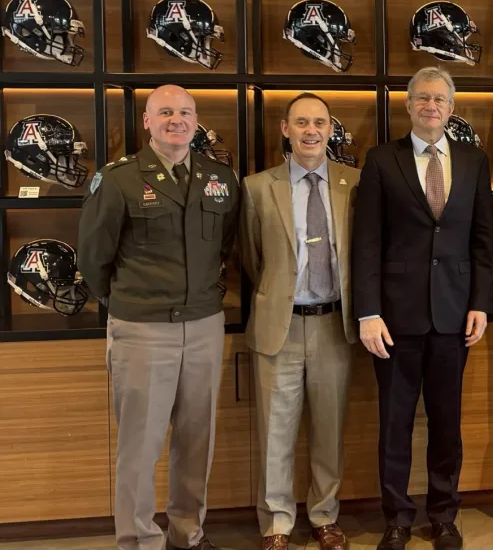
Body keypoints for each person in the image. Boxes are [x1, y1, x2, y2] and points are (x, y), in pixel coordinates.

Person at [77, 84, 240, 550]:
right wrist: (132, 301)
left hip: (205, 325)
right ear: (146, 121)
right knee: (140, 446)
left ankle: (188, 534)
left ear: (196, 120)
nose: (177, 120)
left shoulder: (219, 178)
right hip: (143, 328)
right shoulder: (120, 178)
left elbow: (226, 244)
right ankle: (139, 540)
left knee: (195, 442)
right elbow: (93, 258)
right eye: (165, 111)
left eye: (185, 112)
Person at [352, 66, 493, 550]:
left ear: (452, 108)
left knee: (446, 422)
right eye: (422, 98)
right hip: (393, 320)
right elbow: (366, 243)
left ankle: (443, 514)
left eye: (440, 99)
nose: (431, 106)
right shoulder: (380, 160)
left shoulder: (474, 160)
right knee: (394, 424)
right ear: (408, 106)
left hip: (455, 317)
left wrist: (481, 303)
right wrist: (367, 311)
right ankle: (396, 517)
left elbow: (482, 240)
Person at [239, 93, 361, 550]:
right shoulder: (257, 187)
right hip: (280, 326)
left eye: (320, 122)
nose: (311, 130)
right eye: (301, 122)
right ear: (285, 130)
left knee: (329, 430)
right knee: (276, 431)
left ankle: (325, 515)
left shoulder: (355, 183)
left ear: (331, 130)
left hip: (334, 325)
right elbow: (252, 258)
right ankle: (277, 524)